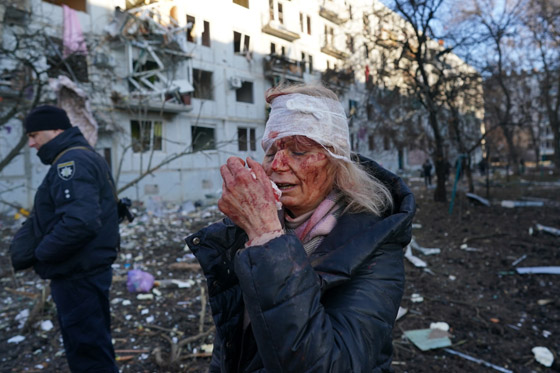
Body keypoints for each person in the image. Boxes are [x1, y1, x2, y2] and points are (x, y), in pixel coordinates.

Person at [186, 83, 415, 372]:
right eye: (270, 153)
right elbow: (233, 342)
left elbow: (328, 365)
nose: (277, 165)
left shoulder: (375, 245)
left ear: (337, 164)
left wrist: (267, 236)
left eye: (298, 151)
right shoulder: (251, 228)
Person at [9, 105, 120, 372]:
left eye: (35, 134)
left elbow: (79, 222)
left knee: (88, 353)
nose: (32, 143)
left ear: (57, 130)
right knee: (91, 347)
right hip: (83, 272)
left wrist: (42, 255)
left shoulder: (72, 162)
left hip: (77, 275)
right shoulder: (80, 156)